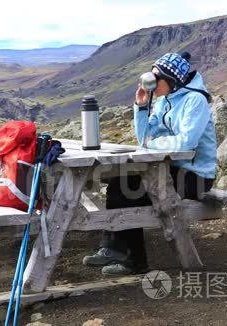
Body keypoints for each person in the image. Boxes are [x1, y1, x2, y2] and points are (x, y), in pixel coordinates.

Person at [82, 52, 218, 275]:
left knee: (132, 190)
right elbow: (143, 137)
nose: (152, 85)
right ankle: (112, 248)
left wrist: (152, 143)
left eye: (157, 80)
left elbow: (186, 144)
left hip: (196, 176)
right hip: (169, 169)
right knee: (120, 182)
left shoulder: (196, 100)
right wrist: (141, 106)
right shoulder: (164, 99)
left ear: (172, 80)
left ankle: (135, 261)